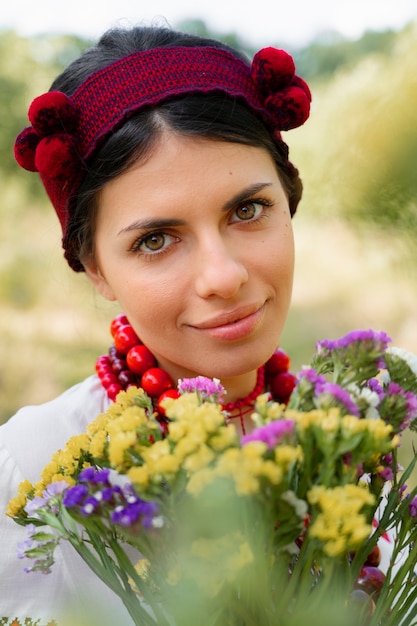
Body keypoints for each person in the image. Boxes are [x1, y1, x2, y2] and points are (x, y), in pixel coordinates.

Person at [0, 23, 311, 624]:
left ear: (289, 200)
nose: (222, 276)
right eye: (156, 240)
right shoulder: (30, 478)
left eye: (248, 209)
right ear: (95, 268)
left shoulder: (355, 437)